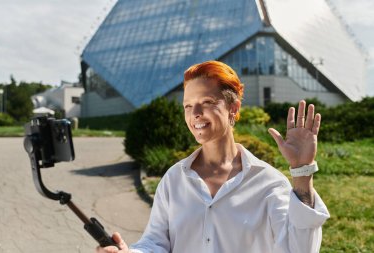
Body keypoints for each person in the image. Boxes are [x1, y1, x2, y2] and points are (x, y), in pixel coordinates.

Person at [96, 61, 330, 253]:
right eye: (188, 106)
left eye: (207, 102)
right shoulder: (174, 179)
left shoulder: (268, 184)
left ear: (234, 108)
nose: (195, 114)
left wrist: (302, 172)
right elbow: (156, 243)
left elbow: (300, 250)